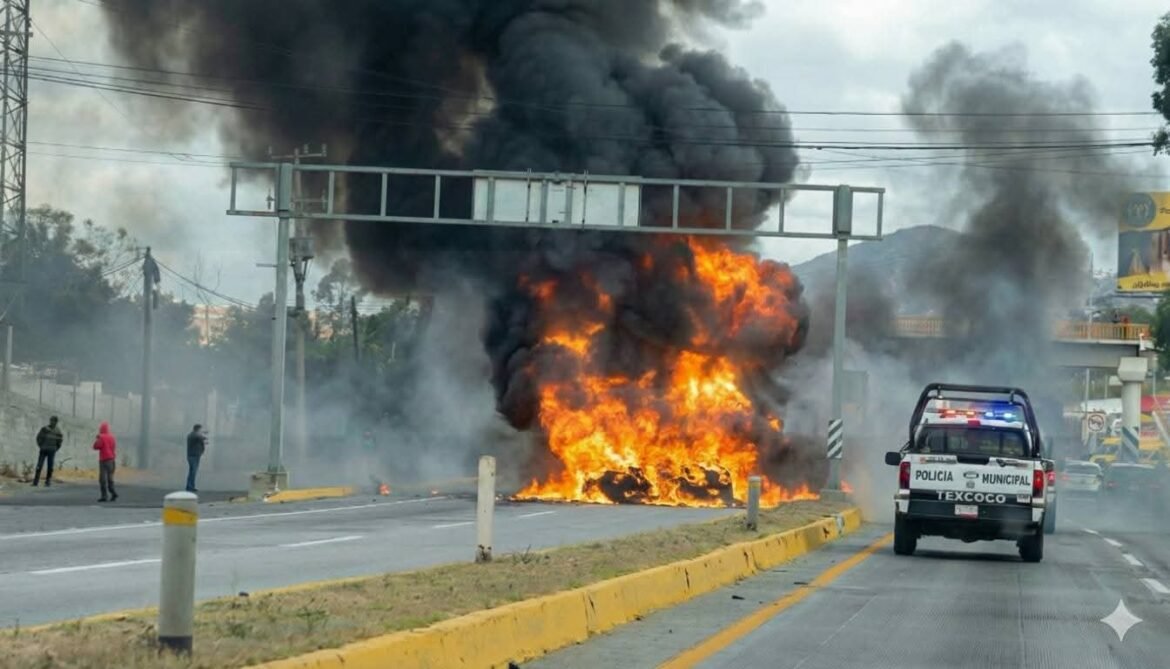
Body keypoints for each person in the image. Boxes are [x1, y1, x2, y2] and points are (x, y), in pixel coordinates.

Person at [32, 416, 63, 486]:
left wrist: (55, 449)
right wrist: (41, 446)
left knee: (50, 466)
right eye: (51, 420)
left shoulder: (58, 431)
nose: (52, 422)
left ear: (56, 422)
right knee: (39, 465)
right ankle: (35, 482)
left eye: (54, 421)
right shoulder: (44, 429)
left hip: (52, 450)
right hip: (43, 449)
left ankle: (48, 481)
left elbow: (59, 441)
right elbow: (38, 437)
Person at [93, 421, 117, 502]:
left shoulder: (101, 437)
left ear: (101, 429)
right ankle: (113, 492)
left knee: (102, 479)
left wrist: (98, 439)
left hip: (104, 460)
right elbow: (114, 447)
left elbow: (96, 446)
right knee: (110, 478)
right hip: (112, 460)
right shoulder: (112, 437)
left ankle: (104, 496)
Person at [185, 424, 207, 493]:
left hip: (194, 455)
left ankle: (190, 486)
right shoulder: (194, 435)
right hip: (193, 456)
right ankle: (190, 487)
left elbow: (200, 439)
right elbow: (201, 437)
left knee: (192, 472)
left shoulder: (192, 435)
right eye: (200, 429)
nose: (201, 431)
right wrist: (203, 434)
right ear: (198, 429)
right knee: (193, 472)